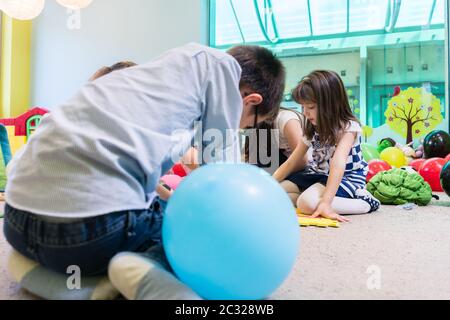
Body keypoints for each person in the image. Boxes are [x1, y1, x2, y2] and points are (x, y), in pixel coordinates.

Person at [3, 43, 286, 290]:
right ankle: (138, 274)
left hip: (17, 223)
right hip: (87, 235)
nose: (243, 128)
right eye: (249, 124)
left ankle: (40, 271)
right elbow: (226, 183)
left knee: (159, 208)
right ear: (251, 101)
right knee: (193, 235)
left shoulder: (164, 72)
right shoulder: (224, 73)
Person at [273, 70, 380, 222]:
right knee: (278, 191)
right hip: (319, 175)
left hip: (346, 178)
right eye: (303, 107)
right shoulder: (313, 128)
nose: (305, 113)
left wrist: (326, 202)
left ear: (330, 105)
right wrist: (268, 183)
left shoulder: (349, 127)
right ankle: (310, 196)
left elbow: (338, 164)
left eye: (310, 107)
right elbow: (292, 161)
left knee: (305, 203)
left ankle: (365, 203)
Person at [244, 107, 308, 202]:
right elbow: (250, 158)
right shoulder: (256, 127)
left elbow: (302, 161)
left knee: (266, 193)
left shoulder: (286, 119)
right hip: (281, 168)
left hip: (301, 170)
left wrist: (272, 179)